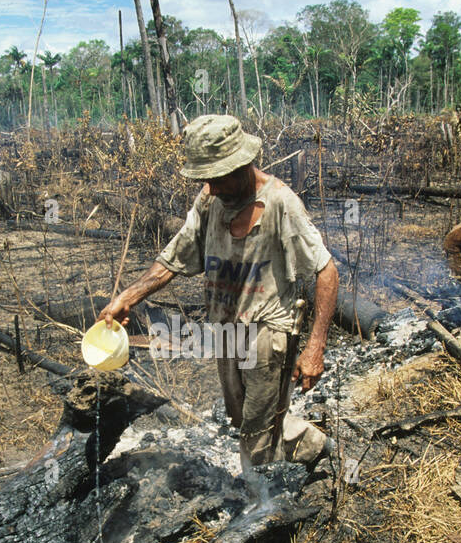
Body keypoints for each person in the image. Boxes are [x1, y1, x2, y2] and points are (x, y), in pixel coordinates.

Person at [99, 114, 339, 468]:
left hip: (267, 332)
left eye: (217, 177)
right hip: (226, 331)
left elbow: (326, 271)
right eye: (206, 178)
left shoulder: (279, 203)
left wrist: (315, 346)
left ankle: (260, 504)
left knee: (256, 432)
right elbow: (175, 256)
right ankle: (314, 447)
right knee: (244, 419)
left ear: (242, 165)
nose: (210, 187)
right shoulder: (210, 200)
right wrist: (127, 297)